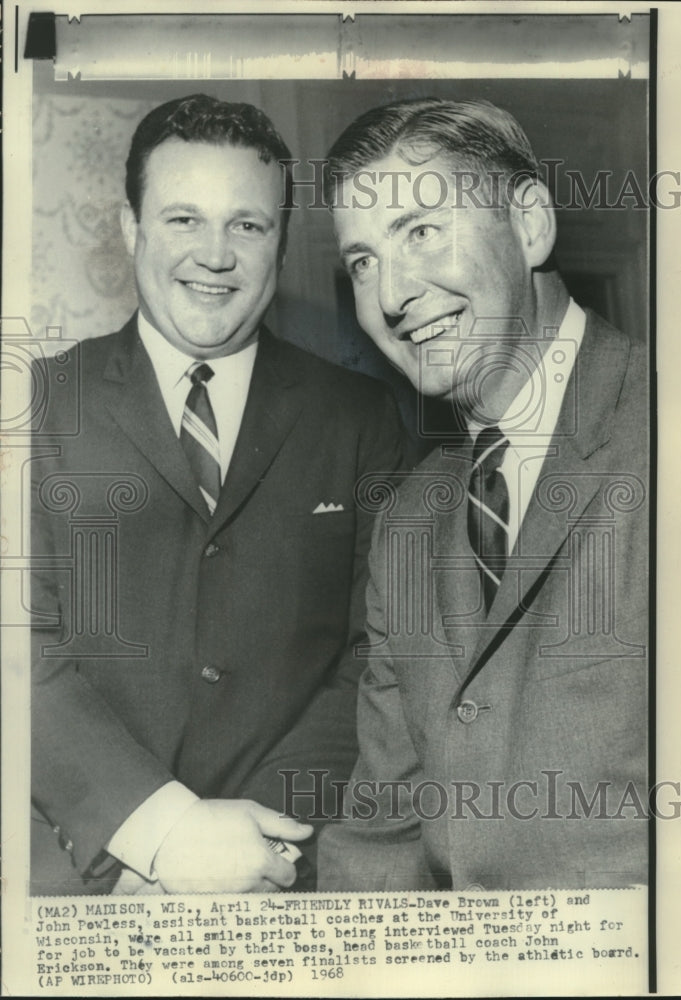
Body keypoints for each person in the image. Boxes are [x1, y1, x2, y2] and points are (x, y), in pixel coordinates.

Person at [30, 94, 405, 895]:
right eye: (182, 220)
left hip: (287, 868)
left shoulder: (364, 417)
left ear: (279, 242)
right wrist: (158, 836)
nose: (215, 254)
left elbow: (377, 657)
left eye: (247, 225)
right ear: (130, 230)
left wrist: (250, 846)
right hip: (87, 877)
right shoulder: (36, 408)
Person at [318, 98, 648, 890]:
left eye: (421, 232)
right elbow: (384, 834)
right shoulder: (407, 521)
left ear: (530, 225)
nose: (392, 296)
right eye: (362, 262)